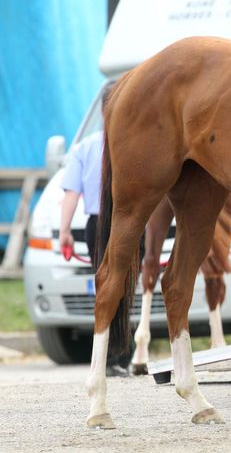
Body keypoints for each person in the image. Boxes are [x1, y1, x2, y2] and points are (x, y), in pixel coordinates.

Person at [58, 85, 132, 377]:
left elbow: (71, 194)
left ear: (103, 111)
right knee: (125, 287)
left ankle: (106, 353)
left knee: (104, 286)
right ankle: (120, 355)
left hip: (95, 225)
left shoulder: (84, 147)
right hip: (127, 222)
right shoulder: (133, 144)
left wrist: (65, 231)